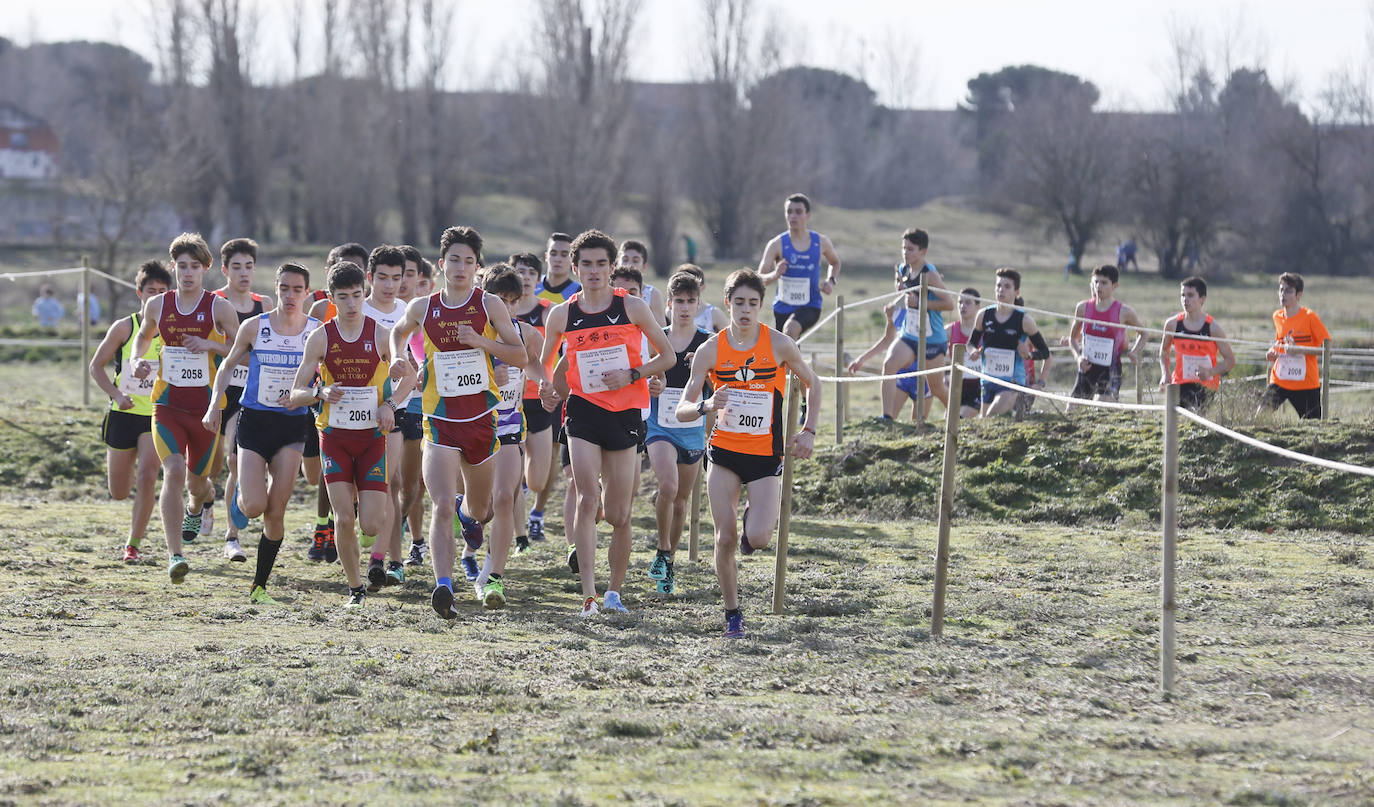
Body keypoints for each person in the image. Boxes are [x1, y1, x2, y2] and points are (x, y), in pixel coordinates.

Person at [388, 226, 527, 620]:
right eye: (454, 260)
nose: (461, 267)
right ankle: (444, 586)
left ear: (477, 266)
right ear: (441, 264)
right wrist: (400, 359)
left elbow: (519, 356)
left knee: (481, 509)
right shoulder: (423, 307)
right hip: (439, 419)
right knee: (442, 504)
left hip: (481, 420)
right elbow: (397, 333)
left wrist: (482, 342)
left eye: (469, 261)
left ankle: (471, 518)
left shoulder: (490, 305)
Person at [674, 268, 821, 638]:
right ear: (727, 303)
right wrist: (707, 404)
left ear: (761, 306)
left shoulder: (779, 344)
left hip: (765, 455)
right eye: (738, 302)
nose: (745, 310)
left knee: (758, 539)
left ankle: (750, 524)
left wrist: (808, 430)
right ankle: (732, 614)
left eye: (752, 303)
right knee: (723, 538)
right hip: (723, 452)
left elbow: (813, 383)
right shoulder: (710, 349)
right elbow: (682, 409)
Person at [537, 230, 676, 617]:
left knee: (619, 513)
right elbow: (545, 364)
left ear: (612, 267)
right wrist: (546, 388)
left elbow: (666, 356)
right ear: (576, 268)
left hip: (625, 413)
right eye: (587, 264)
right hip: (583, 410)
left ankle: (614, 592)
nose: (594, 271)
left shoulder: (632, 307)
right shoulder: (562, 314)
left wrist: (633, 374)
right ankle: (588, 595)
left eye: (601, 264)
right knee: (586, 498)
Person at [290, 261, 415, 607]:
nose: (351, 304)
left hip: (372, 439)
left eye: (357, 295)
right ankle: (355, 588)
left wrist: (390, 404)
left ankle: (364, 513)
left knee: (371, 524)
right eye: (343, 297)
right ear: (331, 299)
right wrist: (320, 393)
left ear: (364, 293)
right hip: (334, 438)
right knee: (345, 518)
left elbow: (410, 377)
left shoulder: (380, 334)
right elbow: (296, 393)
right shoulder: (320, 337)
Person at [204, 262, 321, 603]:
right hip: (254, 421)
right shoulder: (255, 326)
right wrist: (214, 405)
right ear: (276, 289)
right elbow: (227, 366)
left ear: (307, 293)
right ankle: (243, 491)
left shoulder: (317, 332)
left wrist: (310, 394)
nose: (290, 295)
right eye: (284, 288)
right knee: (255, 506)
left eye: (297, 289)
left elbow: (327, 376)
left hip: (292, 425)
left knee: (276, 511)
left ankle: (259, 586)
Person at [129, 233, 239, 583]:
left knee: (197, 483)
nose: (187, 273)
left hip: (207, 409)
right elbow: (143, 336)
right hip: (167, 405)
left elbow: (242, 350)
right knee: (174, 471)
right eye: (181, 266)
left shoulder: (219, 307)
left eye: (194, 266)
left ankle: (199, 504)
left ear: (206, 268)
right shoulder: (158, 305)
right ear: (173, 267)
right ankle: (175, 555)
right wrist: (136, 361)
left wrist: (210, 344)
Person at [468, 265, 545, 607]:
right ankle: (465, 518)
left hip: (510, 429)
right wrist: (487, 377)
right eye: (502, 300)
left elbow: (533, 365)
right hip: (472, 428)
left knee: (504, 499)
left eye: (515, 301)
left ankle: (492, 578)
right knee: (479, 508)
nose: (509, 308)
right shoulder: (472, 331)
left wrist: (545, 384)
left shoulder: (526, 333)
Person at [88, 260, 171, 563]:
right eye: (151, 291)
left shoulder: (173, 331)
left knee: (148, 477)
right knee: (119, 491)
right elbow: (96, 367)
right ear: (139, 293)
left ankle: (133, 545)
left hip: (156, 415)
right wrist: (117, 395)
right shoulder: (125, 327)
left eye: (162, 292)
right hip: (123, 413)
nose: (156, 297)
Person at [644, 270, 712, 596]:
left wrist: (705, 374)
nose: (685, 307)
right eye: (679, 301)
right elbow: (643, 376)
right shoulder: (657, 337)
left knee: (681, 501)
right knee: (668, 486)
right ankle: (661, 548)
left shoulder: (709, 342)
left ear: (699, 304)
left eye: (691, 301)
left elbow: (719, 385)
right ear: (669, 304)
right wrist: (650, 385)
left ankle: (669, 561)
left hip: (692, 428)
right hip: (659, 425)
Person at [305, 242, 369, 562]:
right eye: (342, 266)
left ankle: (346, 521)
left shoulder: (370, 311)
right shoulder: (319, 309)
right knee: (325, 468)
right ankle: (323, 526)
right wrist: (318, 389)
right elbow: (307, 350)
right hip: (330, 395)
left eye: (356, 268)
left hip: (367, 399)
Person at [360, 246, 413, 592]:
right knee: (364, 486)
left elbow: (414, 361)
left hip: (395, 407)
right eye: (383, 278)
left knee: (387, 482)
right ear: (370, 277)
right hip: (354, 410)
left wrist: (393, 403)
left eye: (397, 278)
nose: (390, 285)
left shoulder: (406, 311)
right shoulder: (357, 309)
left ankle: (381, 561)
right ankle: (377, 548)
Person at [210, 237, 266, 561]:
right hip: (219, 390)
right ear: (224, 270)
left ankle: (232, 536)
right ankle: (203, 500)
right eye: (236, 267)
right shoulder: (214, 303)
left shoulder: (265, 304)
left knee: (234, 460)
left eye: (249, 266)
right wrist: (220, 350)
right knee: (209, 469)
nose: (244, 273)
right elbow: (210, 349)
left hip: (250, 393)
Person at [509, 252, 556, 551]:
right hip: (508, 402)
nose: (524, 277)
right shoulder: (501, 312)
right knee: (511, 475)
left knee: (536, 481)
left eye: (530, 273)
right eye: (519, 271)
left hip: (540, 400)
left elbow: (563, 352)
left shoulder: (549, 312)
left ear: (539, 279)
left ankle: (524, 491)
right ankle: (519, 535)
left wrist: (553, 384)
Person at [966, 268, 1051, 418]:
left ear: (1016, 292)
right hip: (988, 379)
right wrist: (973, 351)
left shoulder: (1024, 320)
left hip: (1012, 383)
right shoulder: (983, 315)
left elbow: (1045, 352)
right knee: (985, 423)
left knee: (990, 417)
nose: (1001, 290)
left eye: (1007, 287)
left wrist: (1029, 355)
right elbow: (970, 343)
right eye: (998, 285)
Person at [756, 193, 842, 341]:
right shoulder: (776, 244)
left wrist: (831, 281)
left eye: (798, 212)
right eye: (789, 212)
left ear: (808, 215)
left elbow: (835, 262)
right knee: (786, 346)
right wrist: (775, 275)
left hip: (810, 305)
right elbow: (759, 279)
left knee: (791, 329)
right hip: (782, 307)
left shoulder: (821, 242)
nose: (793, 216)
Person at [1068, 264, 1145, 407]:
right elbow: (1073, 338)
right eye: (1096, 282)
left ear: (1114, 286)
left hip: (1111, 371)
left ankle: (1119, 411)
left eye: (1104, 283)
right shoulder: (1083, 308)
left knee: (1101, 407)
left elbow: (1144, 333)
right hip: (1087, 368)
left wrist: (1134, 351)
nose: (1098, 286)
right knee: (1072, 409)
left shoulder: (1124, 312)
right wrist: (1078, 358)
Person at [399, 247, 433, 567]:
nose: (403, 282)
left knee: (417, 483)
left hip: (424, 405)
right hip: (390, 406)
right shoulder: (383, 313)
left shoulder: (430, 314)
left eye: (411, 275)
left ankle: (417, 541)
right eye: (401, 275)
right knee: (397, 481)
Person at [1258, 272, 1330, 420]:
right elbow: (1280, 343)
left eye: (1289, 291)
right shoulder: (1277, 316)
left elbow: (1328, 351)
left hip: (1306, 383)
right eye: (1281, 290)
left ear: (1299, 295)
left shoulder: (1310, 317)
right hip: (1280, 379)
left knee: (1314, 426)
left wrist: (1299, 350)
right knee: (1259, 418)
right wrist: (1272, 352)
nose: (1283, 294)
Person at [1158, 276, 1236, 411]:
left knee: (1194, 416)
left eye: (1190, 295)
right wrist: (1165, 374)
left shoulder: (1213, 328)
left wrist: (1210, 371)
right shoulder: (1172, 324)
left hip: (1206, 385)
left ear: (1202, 299)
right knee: (1175, 417)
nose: (1185, 300)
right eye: (1182, 295)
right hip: (1180, 383)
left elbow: (1230, 361)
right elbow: (1164, 351)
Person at [946, 288, 983, 419]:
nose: (963, 306)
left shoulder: (986, 332)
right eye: (960, 302)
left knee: (961, 418)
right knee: (948, 421)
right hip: (956, 387)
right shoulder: (950, 330)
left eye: (968, 302)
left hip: (979, 388)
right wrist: (944, 375)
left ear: (978, 307)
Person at [619, 239, 668, 327]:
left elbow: (661, 329)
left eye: (635, 261)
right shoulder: (608, 291)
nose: (629, 264)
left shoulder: (652, 294)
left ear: (644, 266)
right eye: (625, 259)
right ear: (617, 263)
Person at [678, 264, 728, 332]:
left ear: (703, 287)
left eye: (693, 286)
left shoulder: (714, 313)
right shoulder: (670, 312)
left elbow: (730, 337)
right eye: (683, 286)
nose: (687, 290)